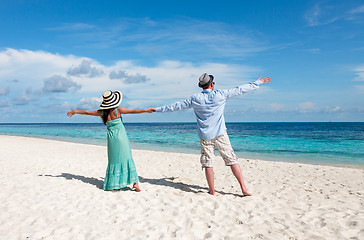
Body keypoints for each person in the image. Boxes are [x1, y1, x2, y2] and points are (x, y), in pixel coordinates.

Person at [155, 73, 270, 196]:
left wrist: (156, 109)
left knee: (208, 163)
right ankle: (243, 188)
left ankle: (212, 190)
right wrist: (258, 82)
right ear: (212, 84)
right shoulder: (220, 94)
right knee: (232, 160)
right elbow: (240, 90)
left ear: (202, 86)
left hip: (205, 136)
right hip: (220, 134)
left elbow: (175, 106)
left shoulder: (195, 98)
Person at [67, 90, 154, 192]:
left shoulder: (102, 113)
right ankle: (135, 183)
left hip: (112, 140)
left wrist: (75, 112)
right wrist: (145, 110)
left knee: (114, 160)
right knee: (127, 158)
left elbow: (87, 112)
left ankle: (115, 185)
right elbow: (132, 111)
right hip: (122, 138)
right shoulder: (118, 110)